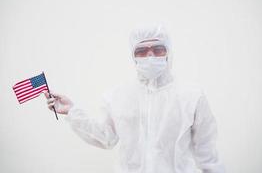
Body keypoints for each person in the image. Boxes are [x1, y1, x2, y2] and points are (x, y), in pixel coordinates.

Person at [45, 25, 225, 173]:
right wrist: (72, 112)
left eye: (158, 49)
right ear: (133, 55)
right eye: (142, 51)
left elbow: (207, 155)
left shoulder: (191, 96)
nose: (150, 56)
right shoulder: (117, 96)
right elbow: (106, 138)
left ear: (168, 53)